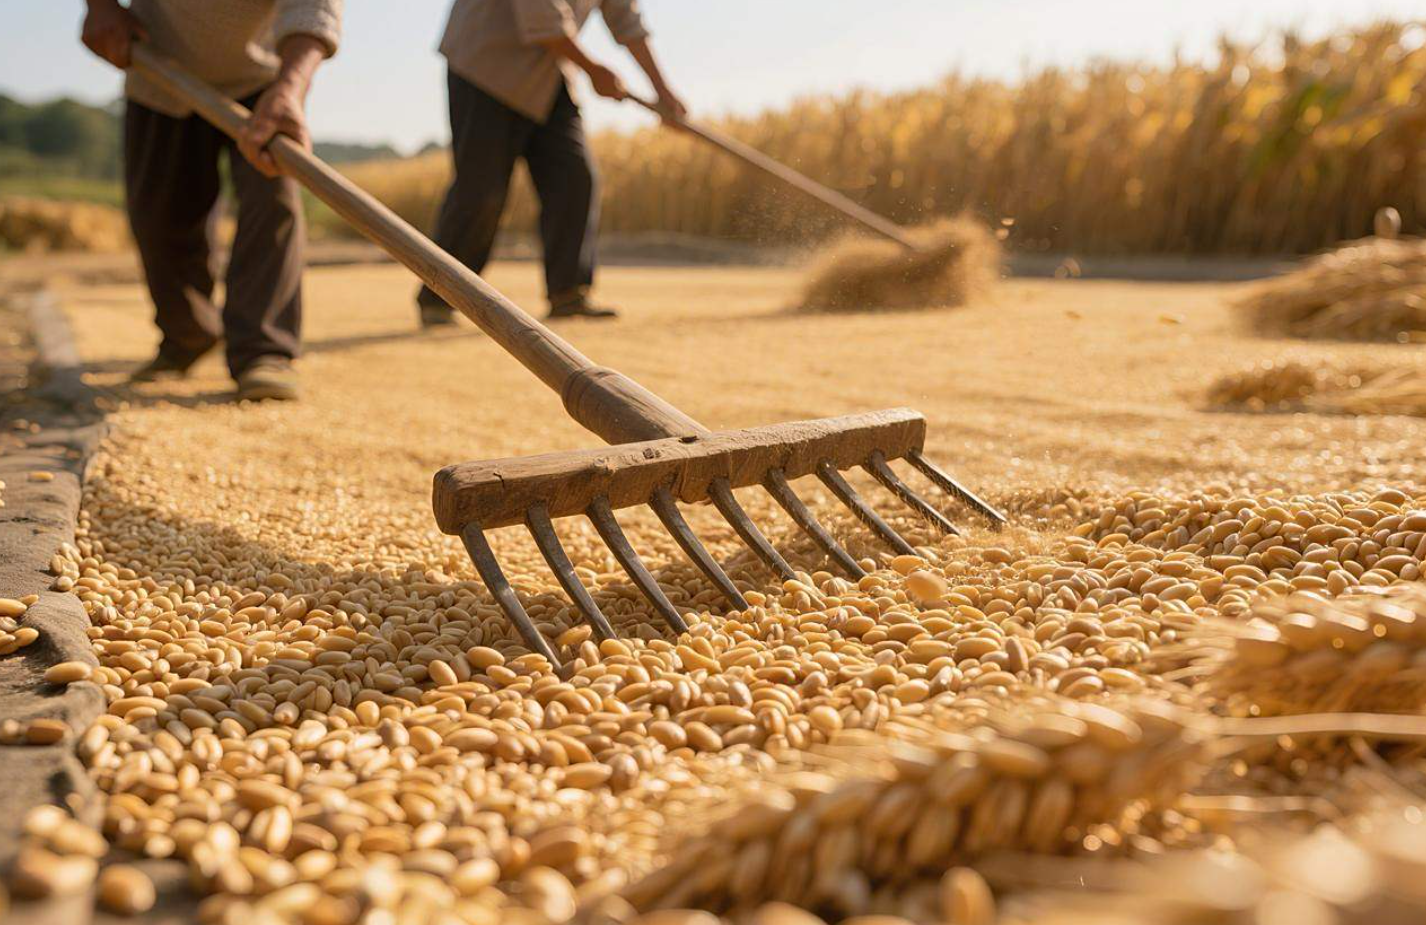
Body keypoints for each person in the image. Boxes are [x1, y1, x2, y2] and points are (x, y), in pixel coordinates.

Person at [80, 0, 344, 401]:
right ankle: (188, 335)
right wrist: (100, 6)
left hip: (264, 81)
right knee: (159, 220)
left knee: (272, 204)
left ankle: (264, 351)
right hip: (159, 65)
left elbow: (315, 6)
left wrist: (290, 86)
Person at [420, 0, 685, 326]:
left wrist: (663, 92)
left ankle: (568, 293)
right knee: (481, 190)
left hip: (549, 77)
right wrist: (593, 70)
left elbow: (626, 20)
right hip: (486, 67)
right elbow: (542, 16)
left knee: (574, 178)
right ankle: (440, 295)